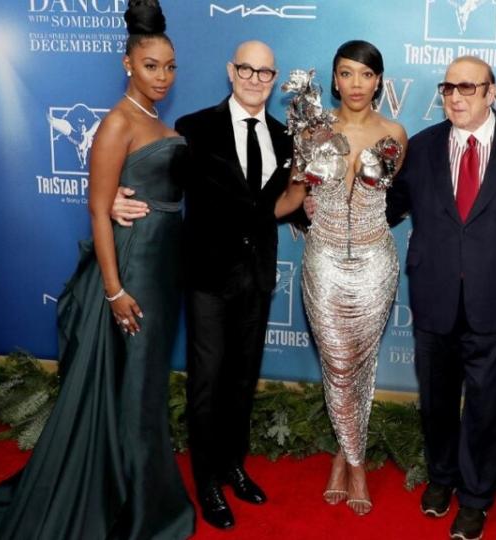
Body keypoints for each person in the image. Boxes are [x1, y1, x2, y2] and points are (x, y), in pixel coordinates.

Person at [0, 1, 195, 538]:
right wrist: (114, 291)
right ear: (128, 64)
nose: (163, 76)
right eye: (151, 65)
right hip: (132, 272)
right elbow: (96, 208)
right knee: (134, 389)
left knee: (143, 386)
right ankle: (138, 510)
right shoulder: (117, 123)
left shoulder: (155, 120)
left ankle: (136, 491)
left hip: (161, 268)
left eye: (170, 66)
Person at [111, 40, 294, 530]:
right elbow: (153, 178)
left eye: (266, 73)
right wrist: (112, 198)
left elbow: (268, 207)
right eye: (248, 70)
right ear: (231, 71)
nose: (256, 80)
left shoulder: (284, 136)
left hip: (257, 277)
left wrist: (305, 198)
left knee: (242, 377)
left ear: (275, 79)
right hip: (208, 277)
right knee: (208, 380)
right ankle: (207, 479)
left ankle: (234, 464)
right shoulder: (195, 128)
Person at [385, 56, 496, 540]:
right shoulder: (422, 146)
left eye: (468, 87)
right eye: (448, 87)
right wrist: (326, 197)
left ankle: (475, 497)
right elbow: (388, 207)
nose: (456, 96)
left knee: (482, 404)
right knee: (435, 399)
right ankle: (441, 478)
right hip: (433, 294)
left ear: (491, 91)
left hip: (494, 296)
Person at [275, 40, 407, 516]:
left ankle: (343, 453)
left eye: (365, 74)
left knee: (362, 362)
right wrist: (245, 216)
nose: (356, 84)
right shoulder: (312, 131)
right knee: (338, 363)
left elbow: (389, 202)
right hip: (324, 261)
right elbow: (292, 197)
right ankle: (356, 464)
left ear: (378, 81)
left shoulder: (395, 132)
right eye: (346, 74)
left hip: (376, 263)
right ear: (334, 80)